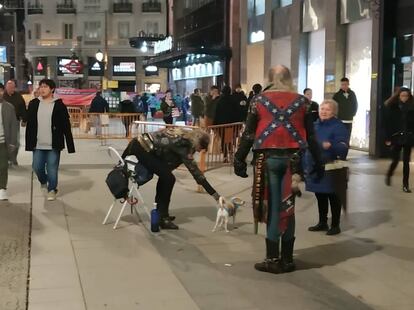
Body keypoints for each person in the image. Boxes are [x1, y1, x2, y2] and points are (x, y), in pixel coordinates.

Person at [234, 65, 323, 274]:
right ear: (290, 78)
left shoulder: (258, 101)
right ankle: (287, 258)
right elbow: (311, 136)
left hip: (267, 158)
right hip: (295, 160)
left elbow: (248, 134)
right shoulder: (304, 102)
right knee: (288, 206)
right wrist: (319, 162)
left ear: (270, 78)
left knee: (272, 206)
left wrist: (239, 159)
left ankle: (272, 258)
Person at [122, 127, 221, 229]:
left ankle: (161, 213)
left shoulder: (185, 135)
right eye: (201, 148)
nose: (200, 151)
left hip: (140, 145)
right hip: (141, 149)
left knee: (166, 177)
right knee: (169, 179)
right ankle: (163, 218)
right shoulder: (184, 145)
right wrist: (216, 196)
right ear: (198, 143)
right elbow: (196, 173)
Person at [304, 99, 349, 235]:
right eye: (322, 109)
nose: (323, 111)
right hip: (316, 166)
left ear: (334, 112)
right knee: (320, 195)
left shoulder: (338, 126)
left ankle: (335, 225)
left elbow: (343, 146)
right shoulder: (314, 125)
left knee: (333, 196)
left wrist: (331, 146)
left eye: (327, 109)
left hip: (331, 167)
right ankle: (322, 222)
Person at [25, 79, 75, 201]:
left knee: (52, 168)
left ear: (52, 89)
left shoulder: (59, 105)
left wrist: (70, 145)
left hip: (54, 144)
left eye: (45, 87)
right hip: (37, 144)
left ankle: (52, 189)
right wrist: (28, 143)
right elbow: (30, 125)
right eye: (41, 87)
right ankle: (43, 181)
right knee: (37, 167)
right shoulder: (34, 103)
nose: (42, 89)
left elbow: (66, 126)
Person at [384, 87, 414, 193]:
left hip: (409, 137)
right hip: (397, 137)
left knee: (406, 162)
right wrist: (388, 138)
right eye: (402, 96)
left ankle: (405, 185)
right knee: (395, 160)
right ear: (398, 96)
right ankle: (389, 173)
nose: (404, 98)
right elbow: (388, 124)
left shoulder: (412, 107)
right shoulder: (393, 107)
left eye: (406, 96)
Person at [0, 83, 19, 200]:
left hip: (3, 142)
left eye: (0, 90)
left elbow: (13, 127)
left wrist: (12, 142)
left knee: (2, 166)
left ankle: (2, 188)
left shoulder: (9, 107)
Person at [3, 80, 26, 166]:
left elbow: (23, 108)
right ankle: (7, 159)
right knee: (4, 141)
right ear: (6, 88)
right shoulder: (3, 96)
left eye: (12, 87)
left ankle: (13, 158)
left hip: (15, 121)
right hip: (3, 122)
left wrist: (24, 120)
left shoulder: (18, 96)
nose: (11, 89)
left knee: (15, 141)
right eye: (9, 88)